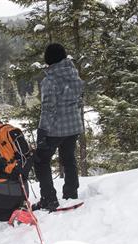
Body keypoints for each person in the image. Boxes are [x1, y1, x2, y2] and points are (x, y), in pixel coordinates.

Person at [33, 43, 84, 211]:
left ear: (49, 60)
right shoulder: (74, 75)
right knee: (68, 158)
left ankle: (49, 199)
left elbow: (48, 109)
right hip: (73, 126)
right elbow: (78, 101)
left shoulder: (50, 80)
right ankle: (71, 193)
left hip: (56, 129)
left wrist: (42, 131)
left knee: (41, 161)